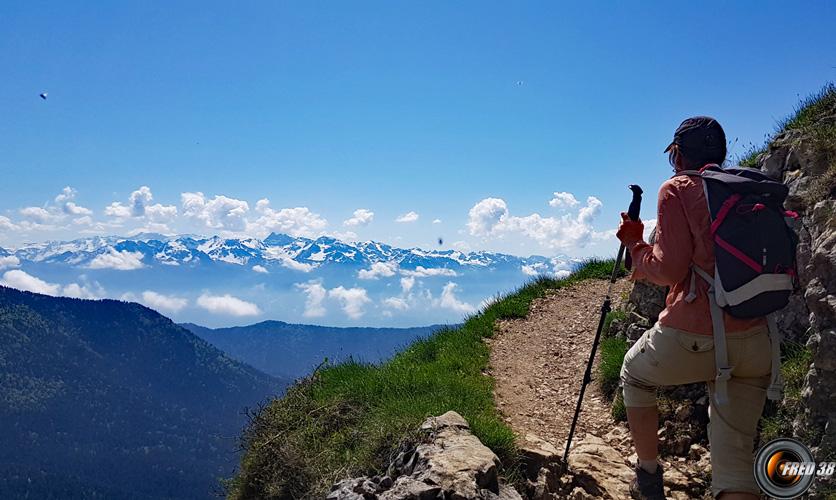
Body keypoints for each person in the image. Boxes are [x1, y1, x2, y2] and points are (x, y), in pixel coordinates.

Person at [616, 117, 772, 500]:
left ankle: (649, 477)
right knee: (735, 466)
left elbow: (668, 270)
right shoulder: (752, 189)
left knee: (635, 376)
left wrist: (636, 244)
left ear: (678, 155)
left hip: (694, 337)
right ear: (721, 153)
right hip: (757, 339)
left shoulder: (678, 189)